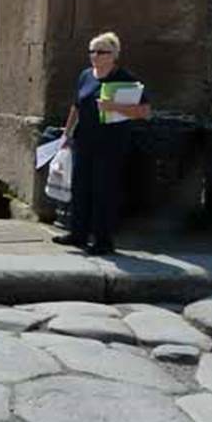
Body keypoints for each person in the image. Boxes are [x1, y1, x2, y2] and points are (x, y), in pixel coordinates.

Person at [52, 31, 151, 255]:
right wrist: (66, 135)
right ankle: (78, 234)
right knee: (80, 187)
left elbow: (145, 112)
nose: (94, 56)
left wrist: (114, 107)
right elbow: (76, 106)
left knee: (103, 191)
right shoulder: (86, 75)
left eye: (100, 52)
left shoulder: (125, 78)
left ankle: (103, 240)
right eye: (92, 51)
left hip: (111, 143)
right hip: (84, 141)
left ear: (113, 55)